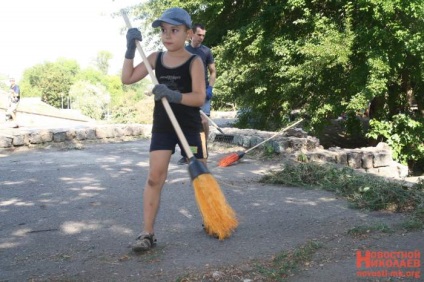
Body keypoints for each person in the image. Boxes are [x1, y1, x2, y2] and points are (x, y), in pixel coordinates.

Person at [121, 7, 206, 252]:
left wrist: (173, 94)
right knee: (154, 177)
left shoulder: (195, 61)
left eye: (174, 30)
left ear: (188, 33)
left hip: (189, 130)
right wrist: (129, 50)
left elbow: (199, 98)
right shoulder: (156, 58)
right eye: (164, 30)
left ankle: (212, 218)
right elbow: (127, 79)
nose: (167, 35)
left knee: (199, 175)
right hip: (163, 128)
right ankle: (147, 233)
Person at [177, 23, 216, 165]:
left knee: (203, 121)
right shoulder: (183, 50)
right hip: (187, 93)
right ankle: (188, 153)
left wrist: (210, 88)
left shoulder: (206, 52)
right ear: (191, 34)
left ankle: (203, 150)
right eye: (199, 35)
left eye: (203, 36)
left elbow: (213, 71)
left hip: (203, 92)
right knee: (187, 124)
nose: (201, 38)